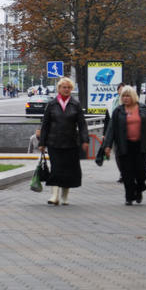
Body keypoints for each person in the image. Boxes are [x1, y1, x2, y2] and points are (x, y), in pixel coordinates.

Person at [103, 86, 146, 205]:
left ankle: (139, 190)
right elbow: (111, 129)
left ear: (133, 96)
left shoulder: (143, 109)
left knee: (141, 171)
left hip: (141, 145)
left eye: (128, 96)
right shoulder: (118, 111)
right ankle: (129, 196)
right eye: (123, 96)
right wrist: (107, 145)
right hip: (124, 145)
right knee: (127, 172)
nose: (125, 98)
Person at [38, 77, 89, 205]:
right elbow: (45, 125)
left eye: (68, 87)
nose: (66, 89)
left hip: (71, 143)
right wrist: (42, 143)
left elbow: (82, 125)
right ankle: (54, 196)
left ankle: (65, 197)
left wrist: (85, 140)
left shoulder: (75, 104)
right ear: (59, 89)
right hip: (54, 142)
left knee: (68, 170)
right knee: (56, 169)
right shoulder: (52, 104)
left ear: (71, 89)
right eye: (64, 87)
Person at [102, 82, 125, 182]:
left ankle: (127, 173)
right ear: (117, 91)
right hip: (115, 133)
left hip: (126, 133)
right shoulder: (111, 103)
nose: (122, 92)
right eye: (120, 89)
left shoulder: (130, 103)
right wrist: (105, 134)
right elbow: (107, 119)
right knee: (118, 154)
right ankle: (122, 173)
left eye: (124, 90)